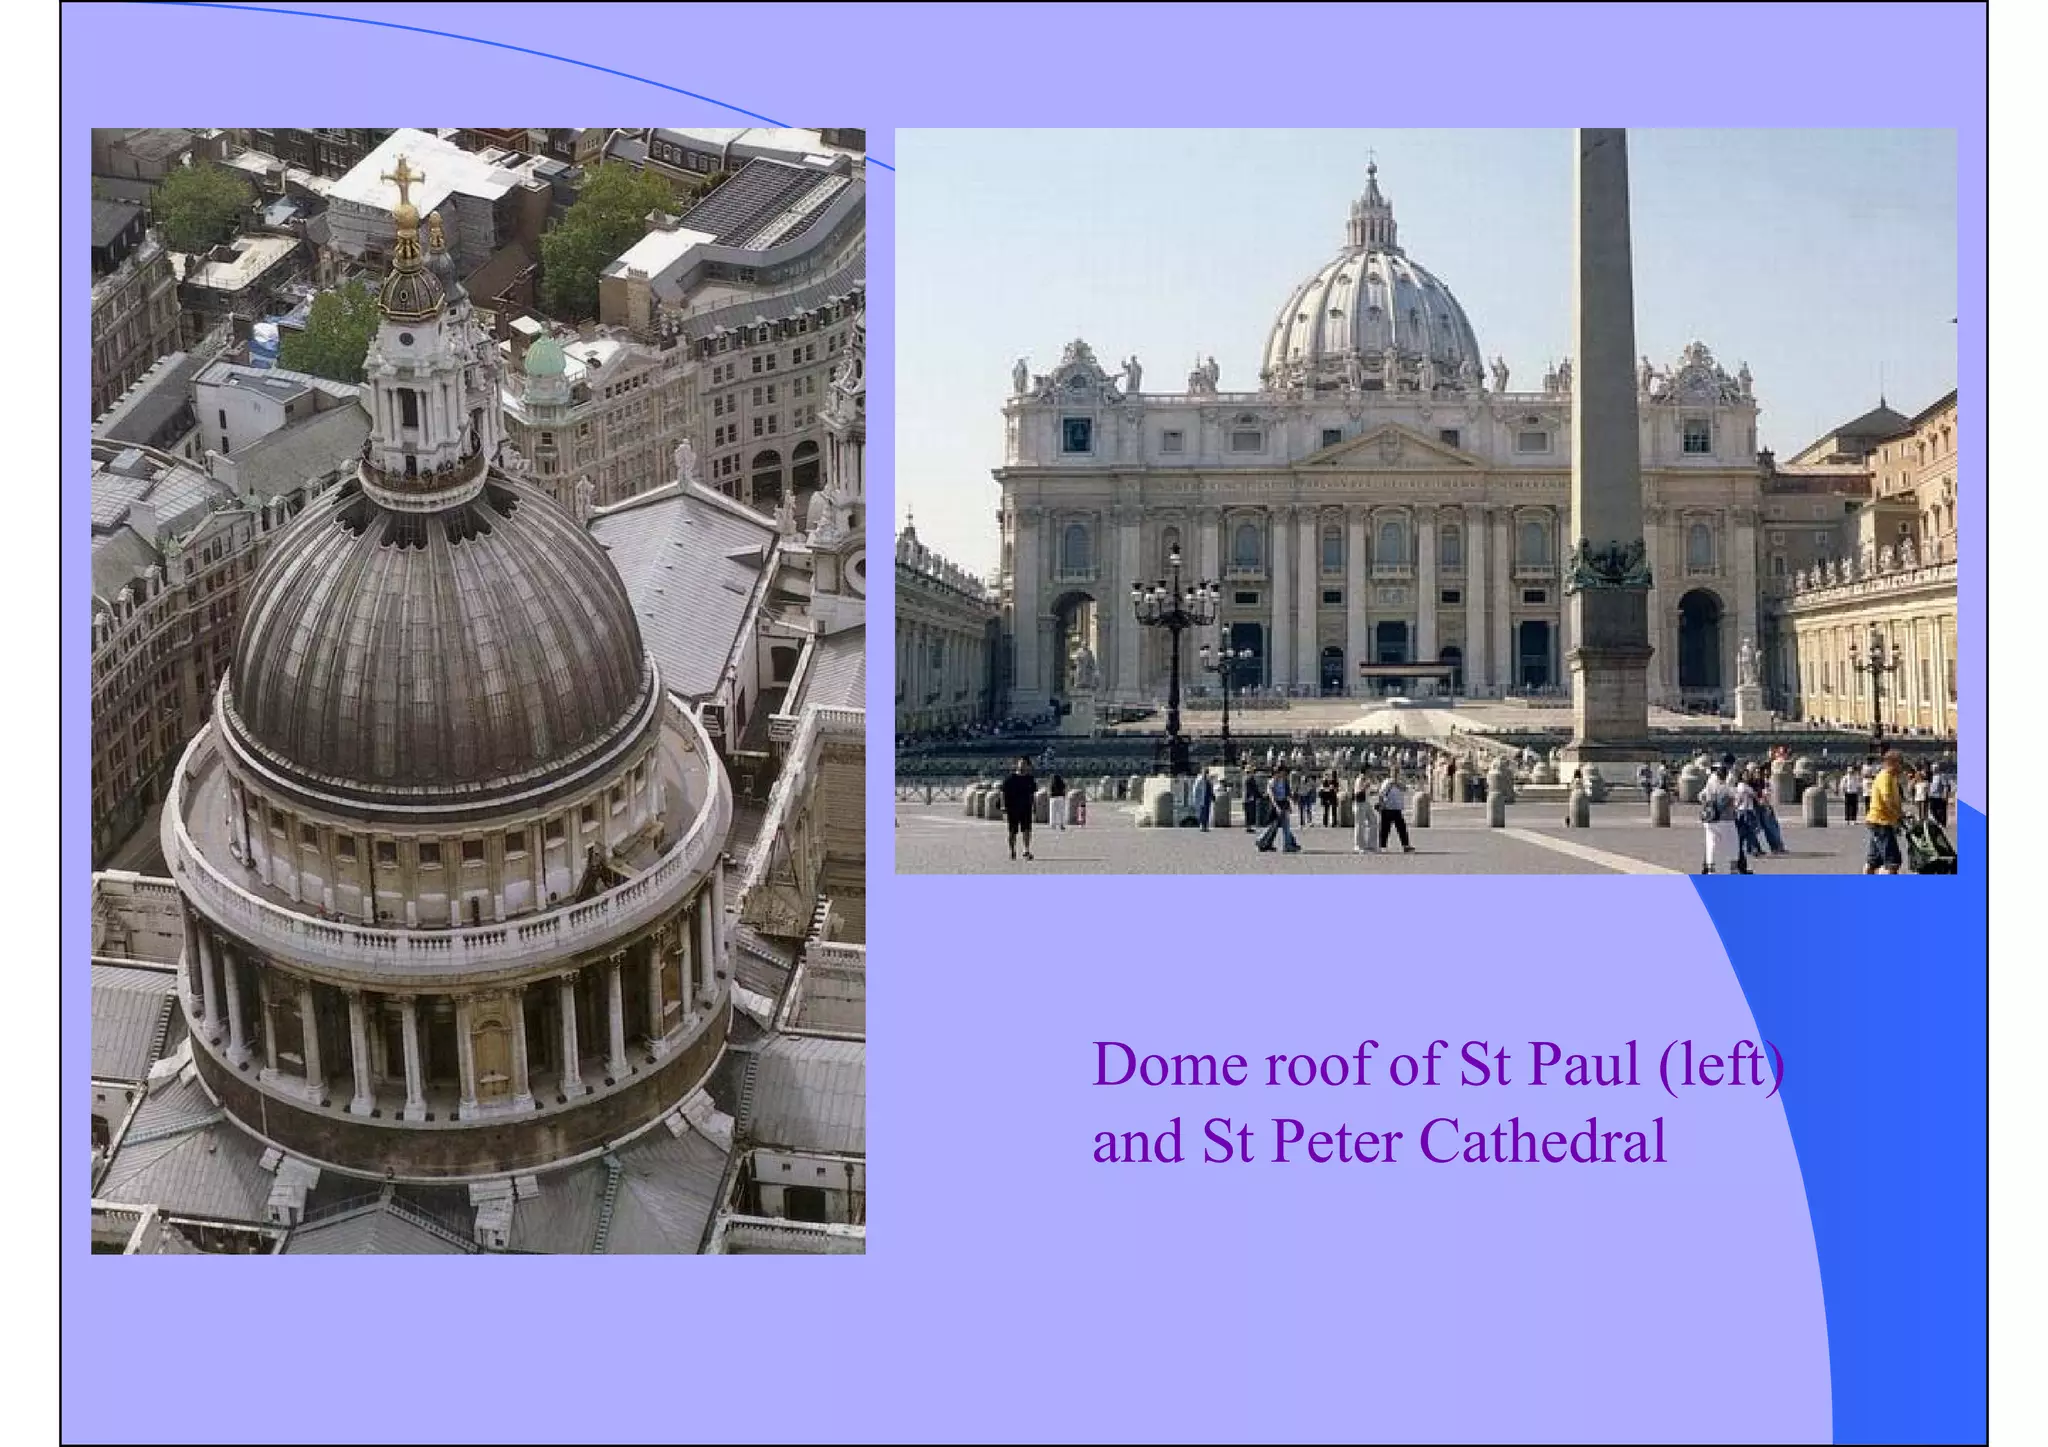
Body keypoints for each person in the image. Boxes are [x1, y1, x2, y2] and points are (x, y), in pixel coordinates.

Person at [1864, 750, 1906, 875]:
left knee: (1873, 860)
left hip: (1879, 821)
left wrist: (1901, 812)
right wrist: (1898, 815)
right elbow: (1887, 800)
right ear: (1893, 763)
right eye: (1900, 763)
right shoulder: (1885, 777)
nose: (1901, 766)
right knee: (1892, 861)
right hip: (1881, 822)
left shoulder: (1891, 777)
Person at [1699, 764, 1743, 874]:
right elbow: (1738, 798)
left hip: (1710, 818)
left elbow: (1700, 796)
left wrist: (1708, 804)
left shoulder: (1710, 784)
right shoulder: (1727, 786)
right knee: (1732, 842)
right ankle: (1733, 867)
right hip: (1726, 819)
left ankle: (1711, 868)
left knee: (1711, 843)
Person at [999, 757, 1038, 862]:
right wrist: (1003, 806)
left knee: (1027, 830)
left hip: (1026, 808)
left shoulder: (1030, 779)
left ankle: (1026, 850)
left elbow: (1032, 794)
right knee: (1012, 832)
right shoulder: (1010, 778)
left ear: (1028, 766)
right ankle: (1012, 850)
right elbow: (1002, 792)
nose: (1022, 766)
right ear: (1017, 765)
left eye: (1025, 764)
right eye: (1021, 763)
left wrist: (1034, 806)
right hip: (1012, 808)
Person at [1257, 768, 1301, 853]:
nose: (1283, 774)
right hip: (1276, 805)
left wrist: (1292, 799)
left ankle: (1287, 844)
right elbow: (1272, 796)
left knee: (1283, 826)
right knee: (1275, 826)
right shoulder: (1272, 782)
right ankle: (1287, 845)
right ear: (1276, 773)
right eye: (1281, 773)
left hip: (1284, 804)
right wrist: (1277, 807)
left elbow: (1287, 793)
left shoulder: (1284, 781)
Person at [1732, 769, 1764, 868]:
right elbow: (1753, 796)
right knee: (1750, 831)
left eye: (1748, 775)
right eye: (1746, 775)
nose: (1748, 777)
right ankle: (1753, 849)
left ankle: (1747, 849)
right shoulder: (1744, 787)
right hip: (1746, 811)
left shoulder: (1740, 786)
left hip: (1742, 811)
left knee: (1744, 832)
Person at [1377, 771, 1414, 852]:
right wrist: (1381, 805)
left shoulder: (1399, 783)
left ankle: (1405, 845)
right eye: (1398, 773)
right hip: (1387, 808)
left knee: (1402, 828)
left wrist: (1398, 784)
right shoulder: (1387, 782)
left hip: (1397, 809)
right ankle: (1382, 846)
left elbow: (1406, 789)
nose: (1399, 775)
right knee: (1385, 829)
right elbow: (1381, 794)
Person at [1926, 762, 1954, 828]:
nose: (1933, 769)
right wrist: (1928, 793)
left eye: (1935, 768)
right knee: (1932, 809)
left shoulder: (1942, 776)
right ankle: (1938, 821)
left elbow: (1946, 786)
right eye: (1933, 768)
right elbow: (1930, 785)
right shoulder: (1932, 776)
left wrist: (1945, 794)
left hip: (1940, 795)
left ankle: (1942, 823)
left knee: (1941, 810)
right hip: (1932, 796)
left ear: (1938, 768)